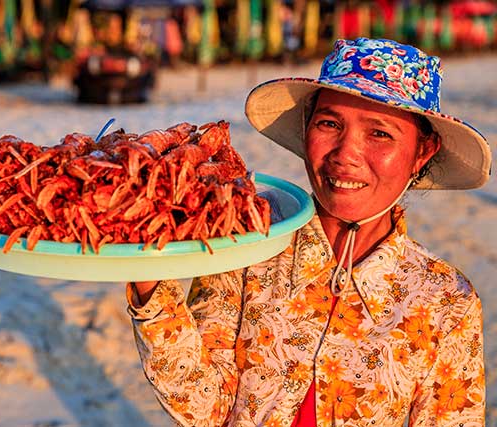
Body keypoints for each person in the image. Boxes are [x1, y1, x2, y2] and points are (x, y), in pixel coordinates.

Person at [126, 37, 491, 426]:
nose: (345, 153)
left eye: (379, 133)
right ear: (305, 128)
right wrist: (149, 282)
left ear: (423, 151)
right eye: (330, 123)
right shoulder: (249, 243)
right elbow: (203, 408)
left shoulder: (446, 301)